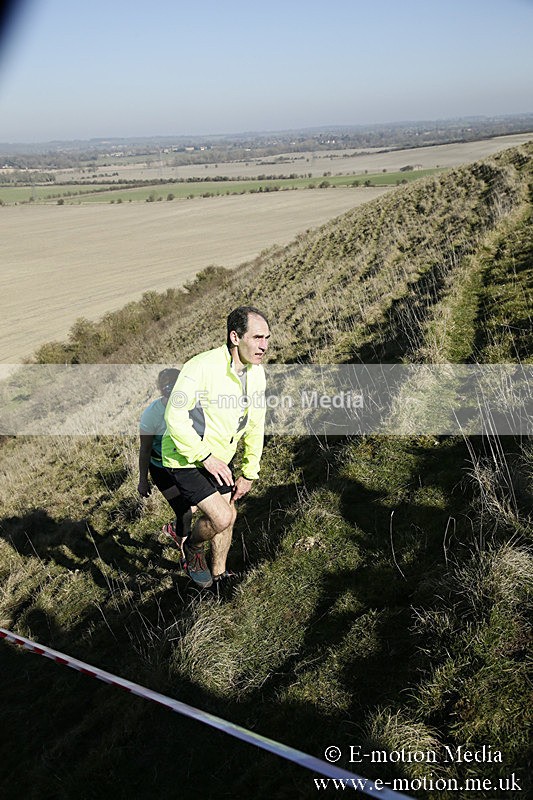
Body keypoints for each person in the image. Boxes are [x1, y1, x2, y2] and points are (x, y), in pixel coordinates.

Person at [161, 306, 270, 589]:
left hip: (220, 456)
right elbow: (174, 415)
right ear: (235, 337)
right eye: (257, 337)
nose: (264, 346)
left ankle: (220, 577)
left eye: (267, 338)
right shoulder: (201, 367)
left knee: (229, 516)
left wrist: (249, 472)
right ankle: (193, 549)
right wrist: (204, 457)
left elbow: (256, 423)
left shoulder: (256, 374)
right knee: (221, 516)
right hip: (186, 457)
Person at [138, 368, 194, 560]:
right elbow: (144, 450)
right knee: (185, 512)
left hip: (185, 464)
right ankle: (186, 556)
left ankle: (174, 528)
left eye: (175, 385)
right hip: (161, 469)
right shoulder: (151, 415)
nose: (171, 390)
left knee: (196, 502)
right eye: (166, 386)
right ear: (160, 389)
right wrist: (142, 480)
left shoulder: (191, 405)